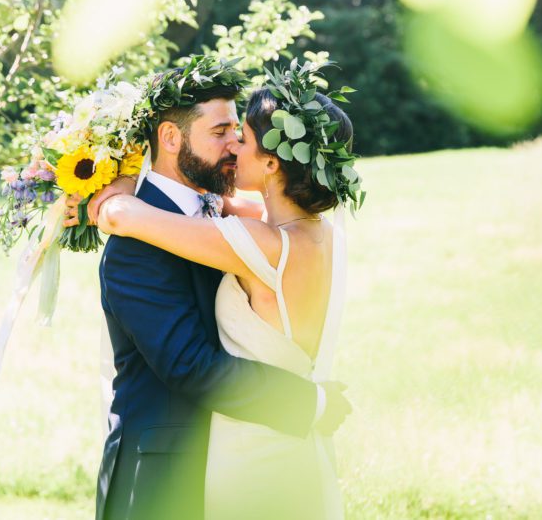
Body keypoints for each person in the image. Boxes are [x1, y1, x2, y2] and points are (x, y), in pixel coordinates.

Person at [64, 61, 353, 520]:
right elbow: (189, 366)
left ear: (273, 162)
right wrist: (309, 403)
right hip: (162, 484)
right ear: (171, 138)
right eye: (221, 132)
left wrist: (116, 194)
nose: (234, 146)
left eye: (240, 135)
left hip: (248, 460)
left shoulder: (246, 230)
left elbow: (123, 214)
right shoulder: (137, 252)